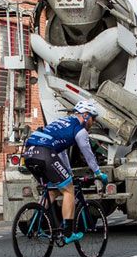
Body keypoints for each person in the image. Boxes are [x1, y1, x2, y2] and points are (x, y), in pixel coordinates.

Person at [22, 99, 105, 244]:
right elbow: (88, 153)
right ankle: (68, 232)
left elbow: (62, 153)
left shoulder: (61, 122)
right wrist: (98, 173)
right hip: (44, 153)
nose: (93, 122)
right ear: (85, 115)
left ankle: (34, 224)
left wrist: (68, 174)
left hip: (29, 153)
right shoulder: (80, 130)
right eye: (93, 118)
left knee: (53, 191)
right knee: (69, 190)